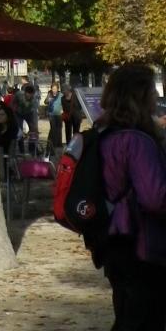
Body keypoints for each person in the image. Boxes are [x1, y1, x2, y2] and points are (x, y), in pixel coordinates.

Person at [92, 63, 166, 330]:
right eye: (152, 91)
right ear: (140, 95)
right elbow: (155, 198)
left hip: (111, 241)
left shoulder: (103, 135)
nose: (156, 97)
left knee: (127, 316)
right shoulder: (137, 142)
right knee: (143, 320)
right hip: (141, 245)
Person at [46, 84, 64, 150]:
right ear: (51, 89)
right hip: (51, 115)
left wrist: (63, 109)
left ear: (58, 89)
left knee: (59, 129)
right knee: (53, 129)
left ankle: (59, 143)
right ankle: (52, 144)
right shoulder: (49, 94)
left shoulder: (61, 95)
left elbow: (64, 103)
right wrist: (48, 100)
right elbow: (45, 102)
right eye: (53, 89)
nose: (54, 90)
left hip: (59, 114)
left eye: (55, 89)